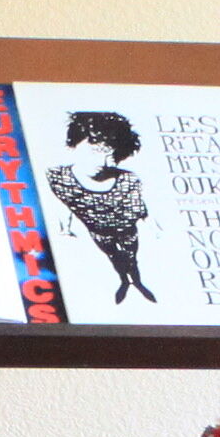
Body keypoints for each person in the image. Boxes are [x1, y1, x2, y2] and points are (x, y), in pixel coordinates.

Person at [47, 107, 159, 304]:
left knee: (131, 258)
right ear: (74, 145)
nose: (103, 161)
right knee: (113, 257)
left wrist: (155, 227)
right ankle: (124, 282)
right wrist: (64, 230)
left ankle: (137, 282)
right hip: (98, 232)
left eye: (111, 154)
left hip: (127, 230)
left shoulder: (128, 180)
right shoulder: (58, 178)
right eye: (95, 151)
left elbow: (141, 209)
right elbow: (62, 204)